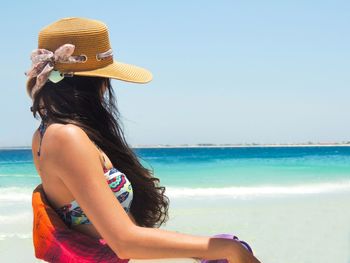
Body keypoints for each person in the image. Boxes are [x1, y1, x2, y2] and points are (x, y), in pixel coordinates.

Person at [27, 17, 260, 263]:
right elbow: (124, 243)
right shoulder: (66, 137)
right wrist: (228, 250)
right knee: (234, 248)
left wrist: (203, 250)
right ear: (100, 82)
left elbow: (110, 228)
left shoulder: (47, 135)